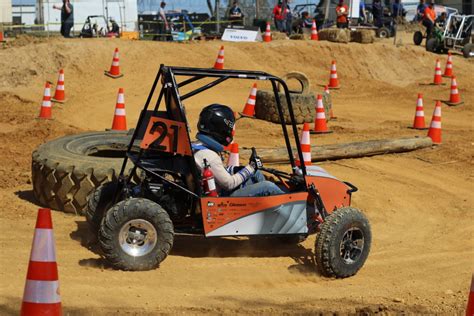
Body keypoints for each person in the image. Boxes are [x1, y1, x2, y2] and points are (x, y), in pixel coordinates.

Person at [193, 104, 284, 198]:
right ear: (221, 129)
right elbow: (229, 184)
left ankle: (268, 208)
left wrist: (236, 169)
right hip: (222, 202)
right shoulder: (209, 155)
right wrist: (251, 167)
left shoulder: (197, 147)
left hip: (216, 190)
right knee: (268, 187)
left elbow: (217, 171)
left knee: (256, 174)